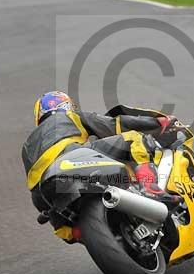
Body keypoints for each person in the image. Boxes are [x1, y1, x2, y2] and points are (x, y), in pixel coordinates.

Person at [22, 91, 182, 217]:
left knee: (61, 221)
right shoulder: (70, 116)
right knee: (133, 139)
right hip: (72, 158)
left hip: (42, 191)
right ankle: (149, 187)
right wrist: (157, 123)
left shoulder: (27, 145)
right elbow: (115, 125)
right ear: (67, 106)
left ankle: (73, 230)